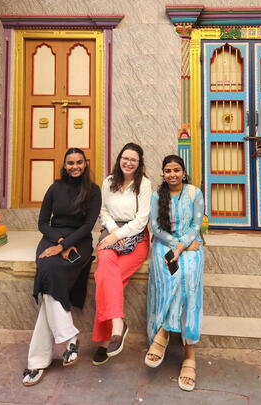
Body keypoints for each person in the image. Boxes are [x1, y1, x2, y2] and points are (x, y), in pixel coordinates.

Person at [22, 148, 101, 386]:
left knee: (50, 282)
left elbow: (87, 226)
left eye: (79, 162)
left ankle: (38, 361)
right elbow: (42, 223)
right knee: (47, 269)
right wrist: (58, 242)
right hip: (52, 238)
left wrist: (66, 245)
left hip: (80, 241)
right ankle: (70, 338)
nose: (75, 166)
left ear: (85, 164)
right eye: (70, 163)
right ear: (64, 165)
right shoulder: (55, 188)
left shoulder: (93, 191)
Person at [145, 155, 204, 392]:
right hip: (164, 246)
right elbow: (156, 228)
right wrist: (176, 246)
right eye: (168, 171)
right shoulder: (156, 196)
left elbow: (196, 226)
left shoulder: (194, 193)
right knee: (176, 276)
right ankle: (189, 356)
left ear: (184, 172)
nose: (172, 175)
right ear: (163, 174)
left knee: (187, 277)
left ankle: (164, 333)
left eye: (176, 170)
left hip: (191, 245)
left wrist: (182, 246)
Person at [92, 143, 152, 365]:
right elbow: (103, 210)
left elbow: (142, 219)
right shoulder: (109, 182)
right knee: (106, 271)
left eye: (133, 160)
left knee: (106, 278)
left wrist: (120, 235)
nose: (128, 163)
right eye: (125, 158)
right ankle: (118, 327)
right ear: (119, 159)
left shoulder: (144, 184)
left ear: (139, 163)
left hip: (136, 238)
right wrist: (113, 232)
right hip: (110, 233)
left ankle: (103, 341)